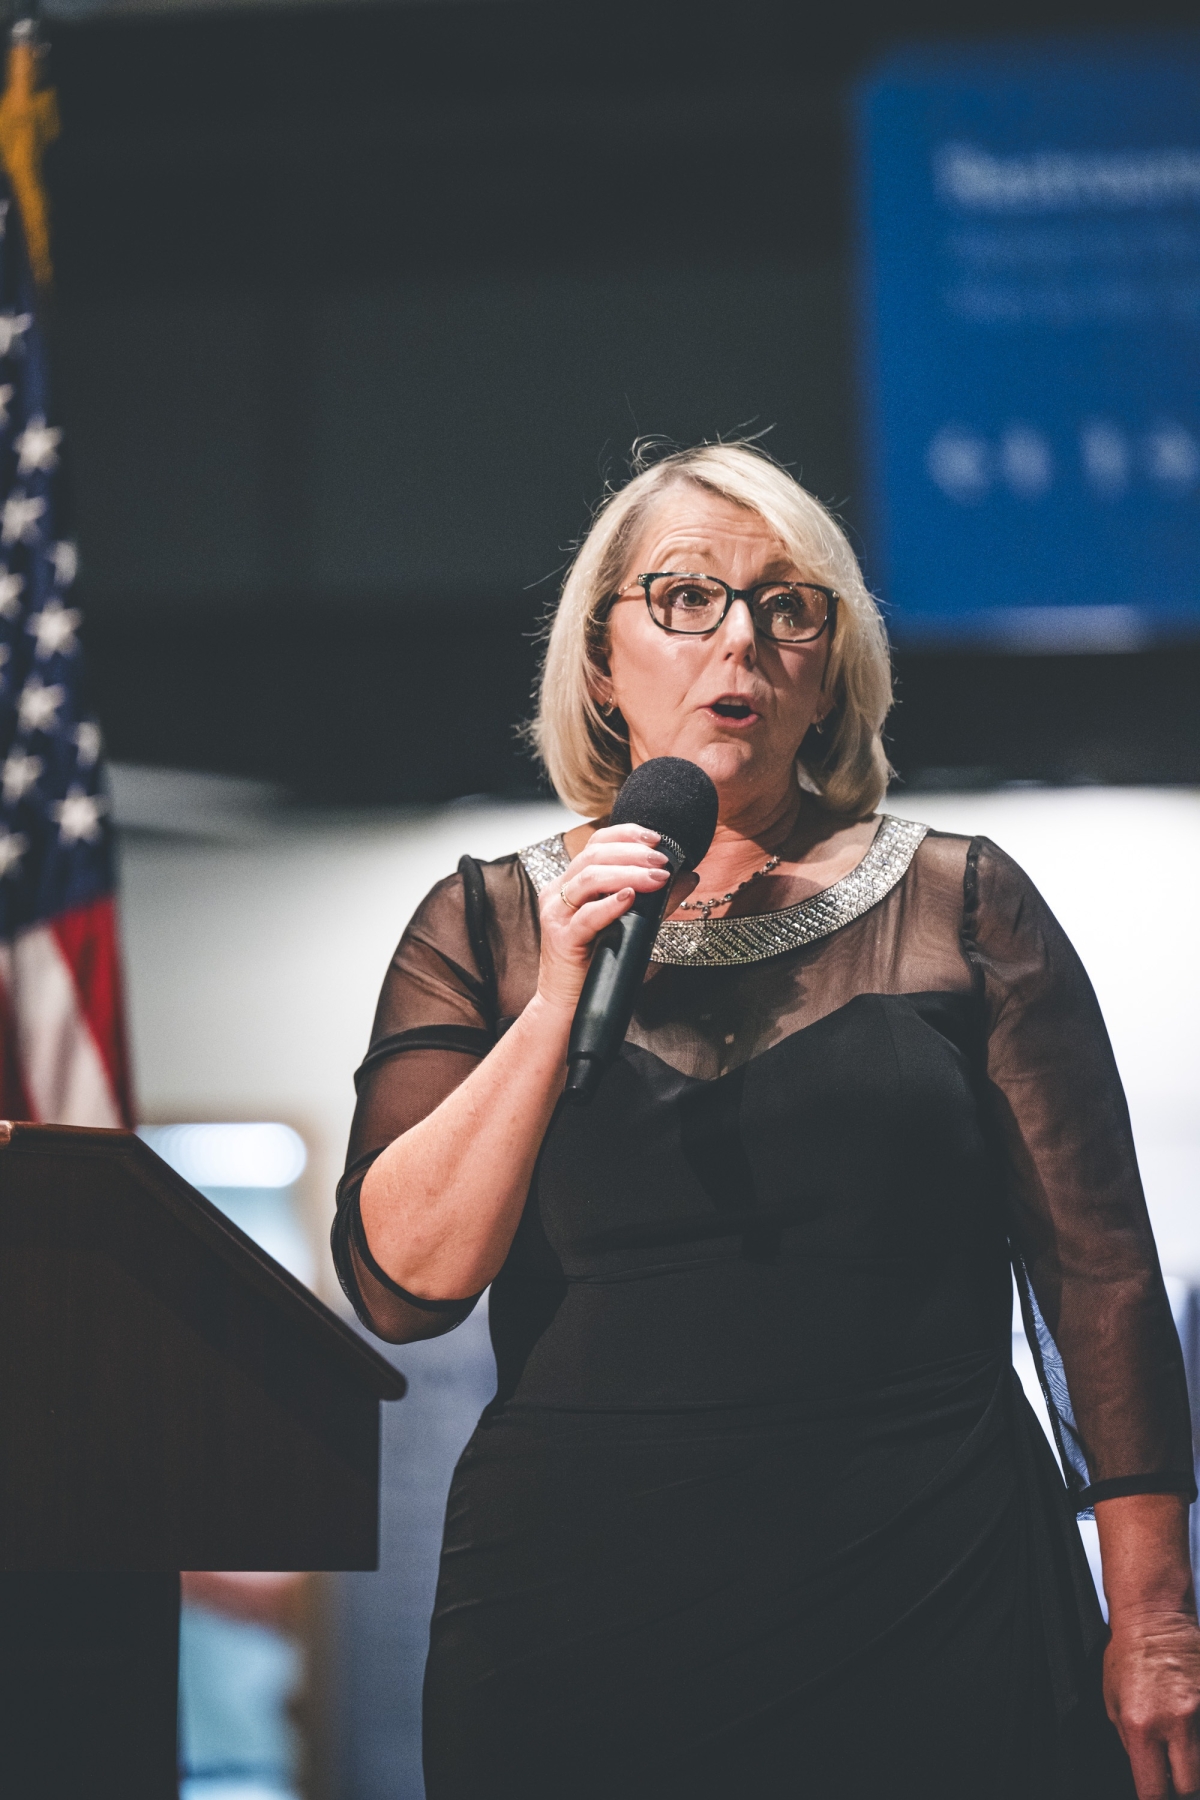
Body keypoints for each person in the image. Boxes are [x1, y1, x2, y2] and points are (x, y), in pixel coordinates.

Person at [333, 442, 1200, 1799]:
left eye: (789, 605)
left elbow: (1097, 1277)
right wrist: (562, 988)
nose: (740, 637)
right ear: (603, 662)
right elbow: (404, 1285)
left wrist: (1154, 1617)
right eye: (685, 596)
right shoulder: (489, 927)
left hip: (934, 1580)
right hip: (579, 1610)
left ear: (829, 674)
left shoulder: (966, 906)